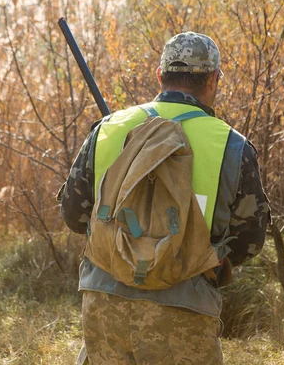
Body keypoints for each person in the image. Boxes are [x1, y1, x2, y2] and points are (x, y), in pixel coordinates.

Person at [58, 32, 270, 365]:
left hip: (104, 302)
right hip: (185, 309)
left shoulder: (109, 129)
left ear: (160, 76)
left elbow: (73, 214)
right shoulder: (232, 146)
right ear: (213, 79)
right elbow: (251, 240)